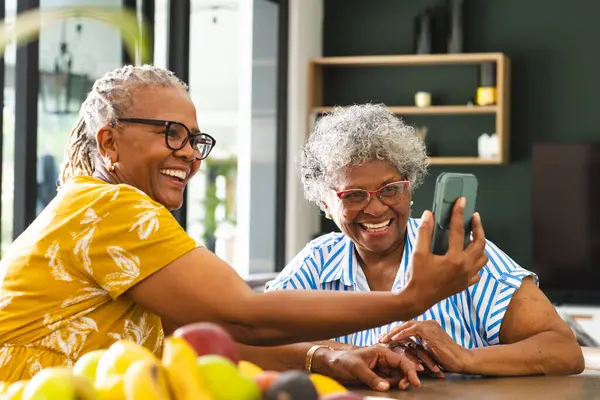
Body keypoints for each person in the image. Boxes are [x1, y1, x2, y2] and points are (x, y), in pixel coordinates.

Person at [0, 66, 484, 383]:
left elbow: (202, 336)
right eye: (171, 134)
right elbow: (243, 314)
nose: (189, 153)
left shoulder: (102, 209)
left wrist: (326, 357)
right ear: (109, 143)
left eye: (194, 139)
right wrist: (407, 300)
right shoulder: (111, 208)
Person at [240, 104, 584, 389]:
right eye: (354, 195)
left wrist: (463, 357)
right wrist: (348, 353)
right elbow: (251, 340)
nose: (376, 208)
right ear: (326, 204)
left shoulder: (459, 254)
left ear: (410, 187)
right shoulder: (318, 260)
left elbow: (564, 350)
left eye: (391, 189)